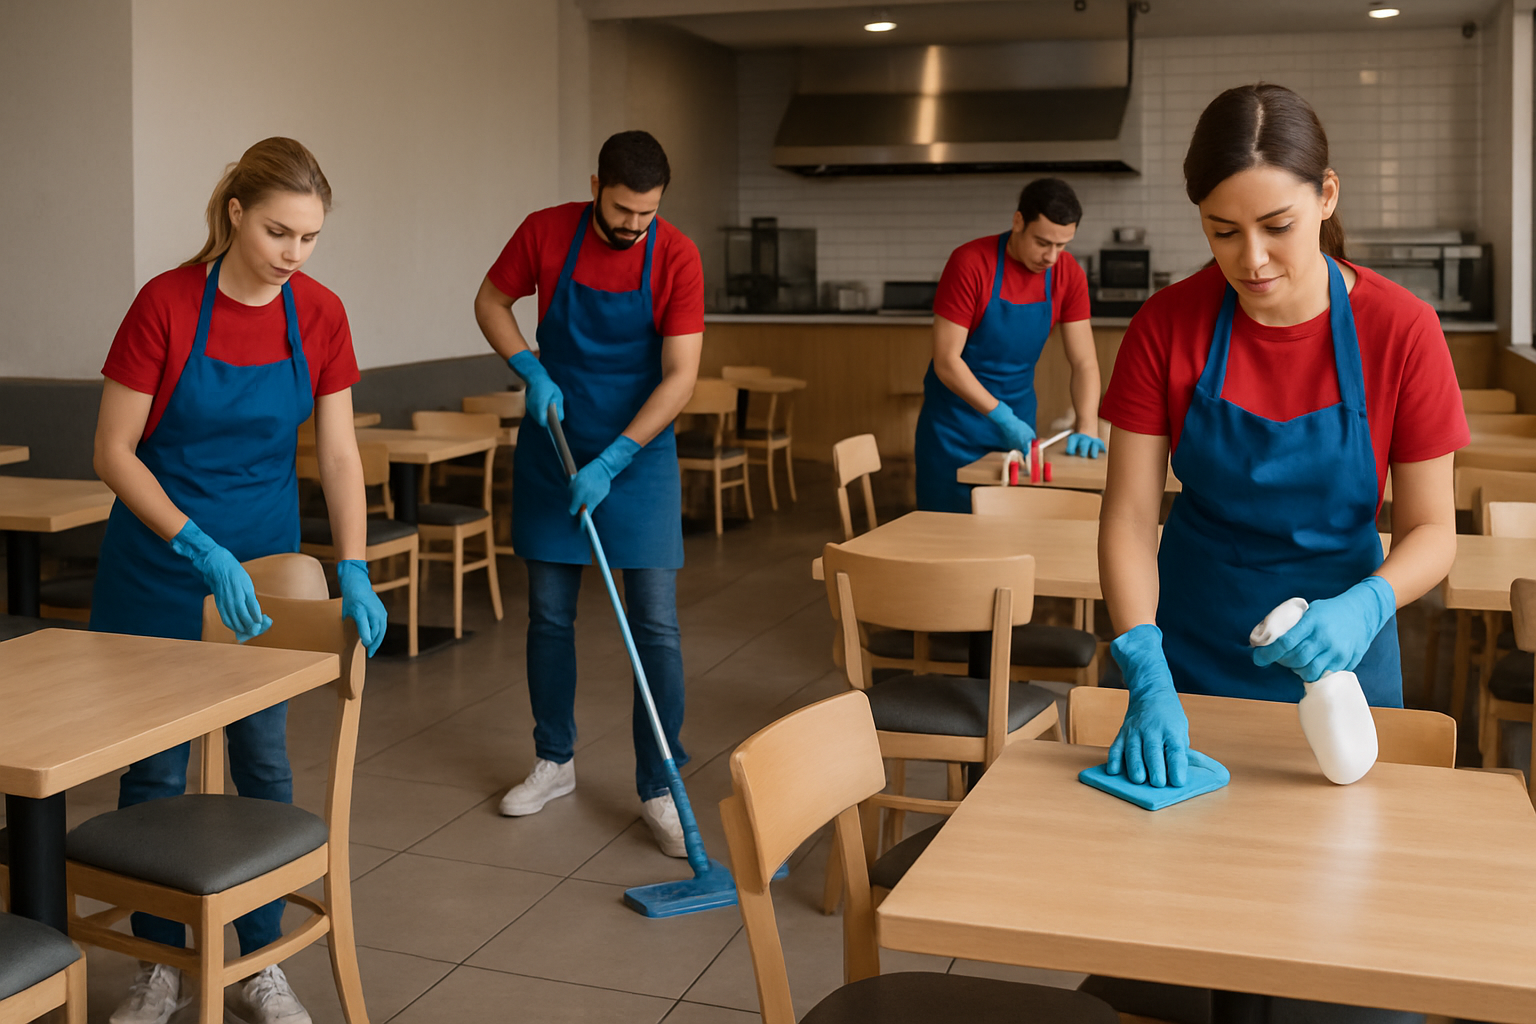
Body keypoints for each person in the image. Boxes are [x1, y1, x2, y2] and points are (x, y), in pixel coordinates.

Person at [1091, 84, 1465, 1024]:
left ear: (1327, 198)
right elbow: (1132, 518)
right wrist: (1143, 661)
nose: (1250, 261)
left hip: (1343, 668)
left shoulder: (1401, 331)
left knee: (1335, 938)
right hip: (1194, 667)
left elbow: (1431, 531)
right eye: (1222, 233)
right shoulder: (1167, 328)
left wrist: (1366, 606)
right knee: (1186, 932)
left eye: (1277, 226)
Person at [91, 137, 388, 1024]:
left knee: (263, 757)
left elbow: (336, 452)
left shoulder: (321, 313)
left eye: (310, 238)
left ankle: (259, 959)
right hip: (159, 560)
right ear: (233, 213)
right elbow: (111, 451)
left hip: (264, 570)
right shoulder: (166, 305)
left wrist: (355, 568)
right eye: (278, 232)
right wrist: (198, 548)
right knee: (153, 767)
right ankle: (160, 961)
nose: (294, 254)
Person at [473, 130, 703, 857]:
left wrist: (614, 460)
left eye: (647, 213)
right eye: (622, 209)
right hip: (555, 443)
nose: (633, 226)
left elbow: (680, 376)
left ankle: (661, 784)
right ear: (596, 182)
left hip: (637, 456)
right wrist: (527, 366)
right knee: (549, 617)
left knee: (656, 627)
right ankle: (555, 761)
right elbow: (491, 300)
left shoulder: (677, 256)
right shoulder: (546, 231)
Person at [914, 177, 1105, 513]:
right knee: (946, 540)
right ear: (1018, 222)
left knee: (1010, 534)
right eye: (1043, 242)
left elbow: (1085, 363)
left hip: (1018, 430)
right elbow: (946, 361)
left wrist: (1087, 425)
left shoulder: (1068, 274)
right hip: (953, 429)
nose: (1051, 257)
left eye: (1062, 246)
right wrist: (1001, 415)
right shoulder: (970, 264)